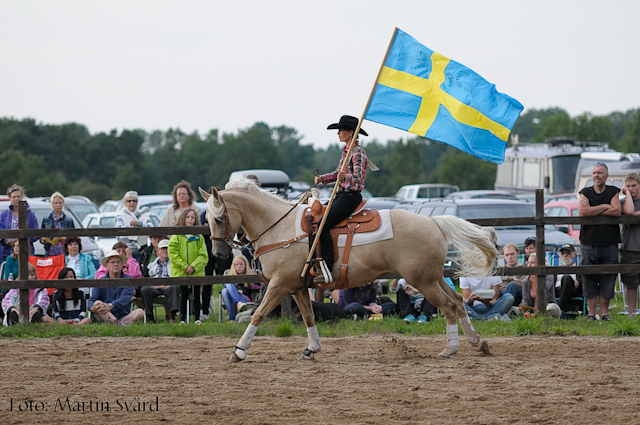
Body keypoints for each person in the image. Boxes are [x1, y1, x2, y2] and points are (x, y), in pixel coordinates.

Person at [313, 115, 369, 284]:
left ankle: (328, 268)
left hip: (350, 197)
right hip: (342, 195)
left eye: (341, 130)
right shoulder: (345, 151)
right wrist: (324, 178)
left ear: (351, 132)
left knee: (323, 225)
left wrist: (346, 176)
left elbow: (358, 177)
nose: (338, 133)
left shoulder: (358, 152)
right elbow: (339, 173)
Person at [578, 161, 621, 321]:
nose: (597, 175)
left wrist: (594, 209)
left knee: (608, 278)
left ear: (606, 176)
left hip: (610, 243)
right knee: (589, 278)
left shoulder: (613, 191)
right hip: (589, 243)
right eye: (595, 172)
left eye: (600, 172)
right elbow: (583, 212)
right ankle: (591, 314)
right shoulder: (585, 192)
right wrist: (605, 206)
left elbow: (617, 211)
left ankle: (604, 313)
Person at [168, 208, 208, 324]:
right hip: (181, 271)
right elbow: (173, 253)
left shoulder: (199, 237)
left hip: (196, 271)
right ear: (183, 218)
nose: (190, 219)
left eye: (193, 217)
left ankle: (197, 318)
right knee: (183, 294)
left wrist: (193, 266)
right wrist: (185, 266)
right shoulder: (176, 235)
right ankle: (182, 319)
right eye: (188, 217)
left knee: (196, 294)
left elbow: (203, 255)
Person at [88, 250, 144, 325]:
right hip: (104, 315)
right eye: (113, 262)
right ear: (107, 265)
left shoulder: (128, 280)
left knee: (140, 312)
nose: (116, 264)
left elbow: (125, 298)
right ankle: (118, 325)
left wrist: (111, 305)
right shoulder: (100, 281)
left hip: (123, 315)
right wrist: (93, 308)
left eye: (118, 262)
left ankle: (117, 324)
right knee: (97, 303)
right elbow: (92, 300)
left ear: (122, 265)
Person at [140, 239, 180, 323]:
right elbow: (148, 277)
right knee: (144, 289)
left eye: (167, 248)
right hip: (155, 287)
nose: (165, 250)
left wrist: (169, 284)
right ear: (158, 251)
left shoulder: (176, 264)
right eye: (163, 248)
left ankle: (172, 316)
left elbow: (177, 277)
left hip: (169, 287)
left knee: (175, 287)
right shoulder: (152, 265)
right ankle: (150, 317)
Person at [1, 184, 39, 263]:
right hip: (8, 251)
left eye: (18, 196)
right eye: (14, 197)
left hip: (26, 251)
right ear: (10, 198)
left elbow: (36, 232)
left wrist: (24, 241)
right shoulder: (4, 214)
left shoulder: (30, 214)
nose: (16, 199)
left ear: (22, 197)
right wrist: (5, 239)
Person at [620, 172, 640, 319]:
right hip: (629, 247)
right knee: (630, 282)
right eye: (628, 186)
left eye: (634, 186)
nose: (631, 189)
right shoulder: (623, 202)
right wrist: (627, 195)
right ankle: (631, 313)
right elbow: (628, 215)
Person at [220, 255, 254, 323]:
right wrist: (236, 291)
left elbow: (255, 288)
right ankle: (238, 303)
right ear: (233, 266)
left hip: (245, 298)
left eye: (241, 264)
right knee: (225, 291)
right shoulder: (230, 275)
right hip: (234, 298)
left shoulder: (250, 276)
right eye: (236, 264)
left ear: (245, 265)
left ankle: (232, 318)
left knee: (227, 285)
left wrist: (242, 290)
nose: (239, 266)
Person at [40, 192, 75, 256]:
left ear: (63, 204)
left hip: (64, 252)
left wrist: (66, 239)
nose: (58, 205)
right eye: (56, 203)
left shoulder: (68, 219)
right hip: (50, 252)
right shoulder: (46, 219)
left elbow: (74, 236)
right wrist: (43, 240)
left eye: (60, 203)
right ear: (52, 204)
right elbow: (41, 234)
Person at [555, 243, 585, 315]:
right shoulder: (555, 270)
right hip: (556, 291)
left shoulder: (579, 270)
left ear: (574, 255)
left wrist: (578, 282)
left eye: (568, 253)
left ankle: (560, 309)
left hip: (573, 290)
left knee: (567, 278)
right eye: (563, 253)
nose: (565, 255)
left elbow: (585, 282)